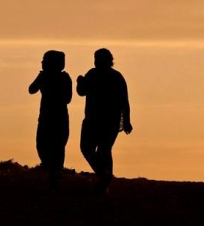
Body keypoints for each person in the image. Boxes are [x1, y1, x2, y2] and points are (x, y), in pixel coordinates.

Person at [76, 48, 133, 193]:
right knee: (91, 149)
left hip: (105, 120)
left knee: (102, 149)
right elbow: (82, 92)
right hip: (96, 119)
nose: (96, 61)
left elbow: (124, 101)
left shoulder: (114, 77)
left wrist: (126, 120)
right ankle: (105, 176)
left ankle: (105, 180)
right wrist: (81, 82)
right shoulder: (94, 74)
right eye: (95, 58)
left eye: (98, 58)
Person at [29, 50, 72, 191]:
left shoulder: (64, 78)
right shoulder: (47, 77)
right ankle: (54, 171)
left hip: (55, 117)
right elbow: (32, 89)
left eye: (44, 60)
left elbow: (67, 98)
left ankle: (55, 173)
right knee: (43, 145)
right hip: (49, 117)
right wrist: (41, 79)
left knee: (57, 147)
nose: (41, 63)